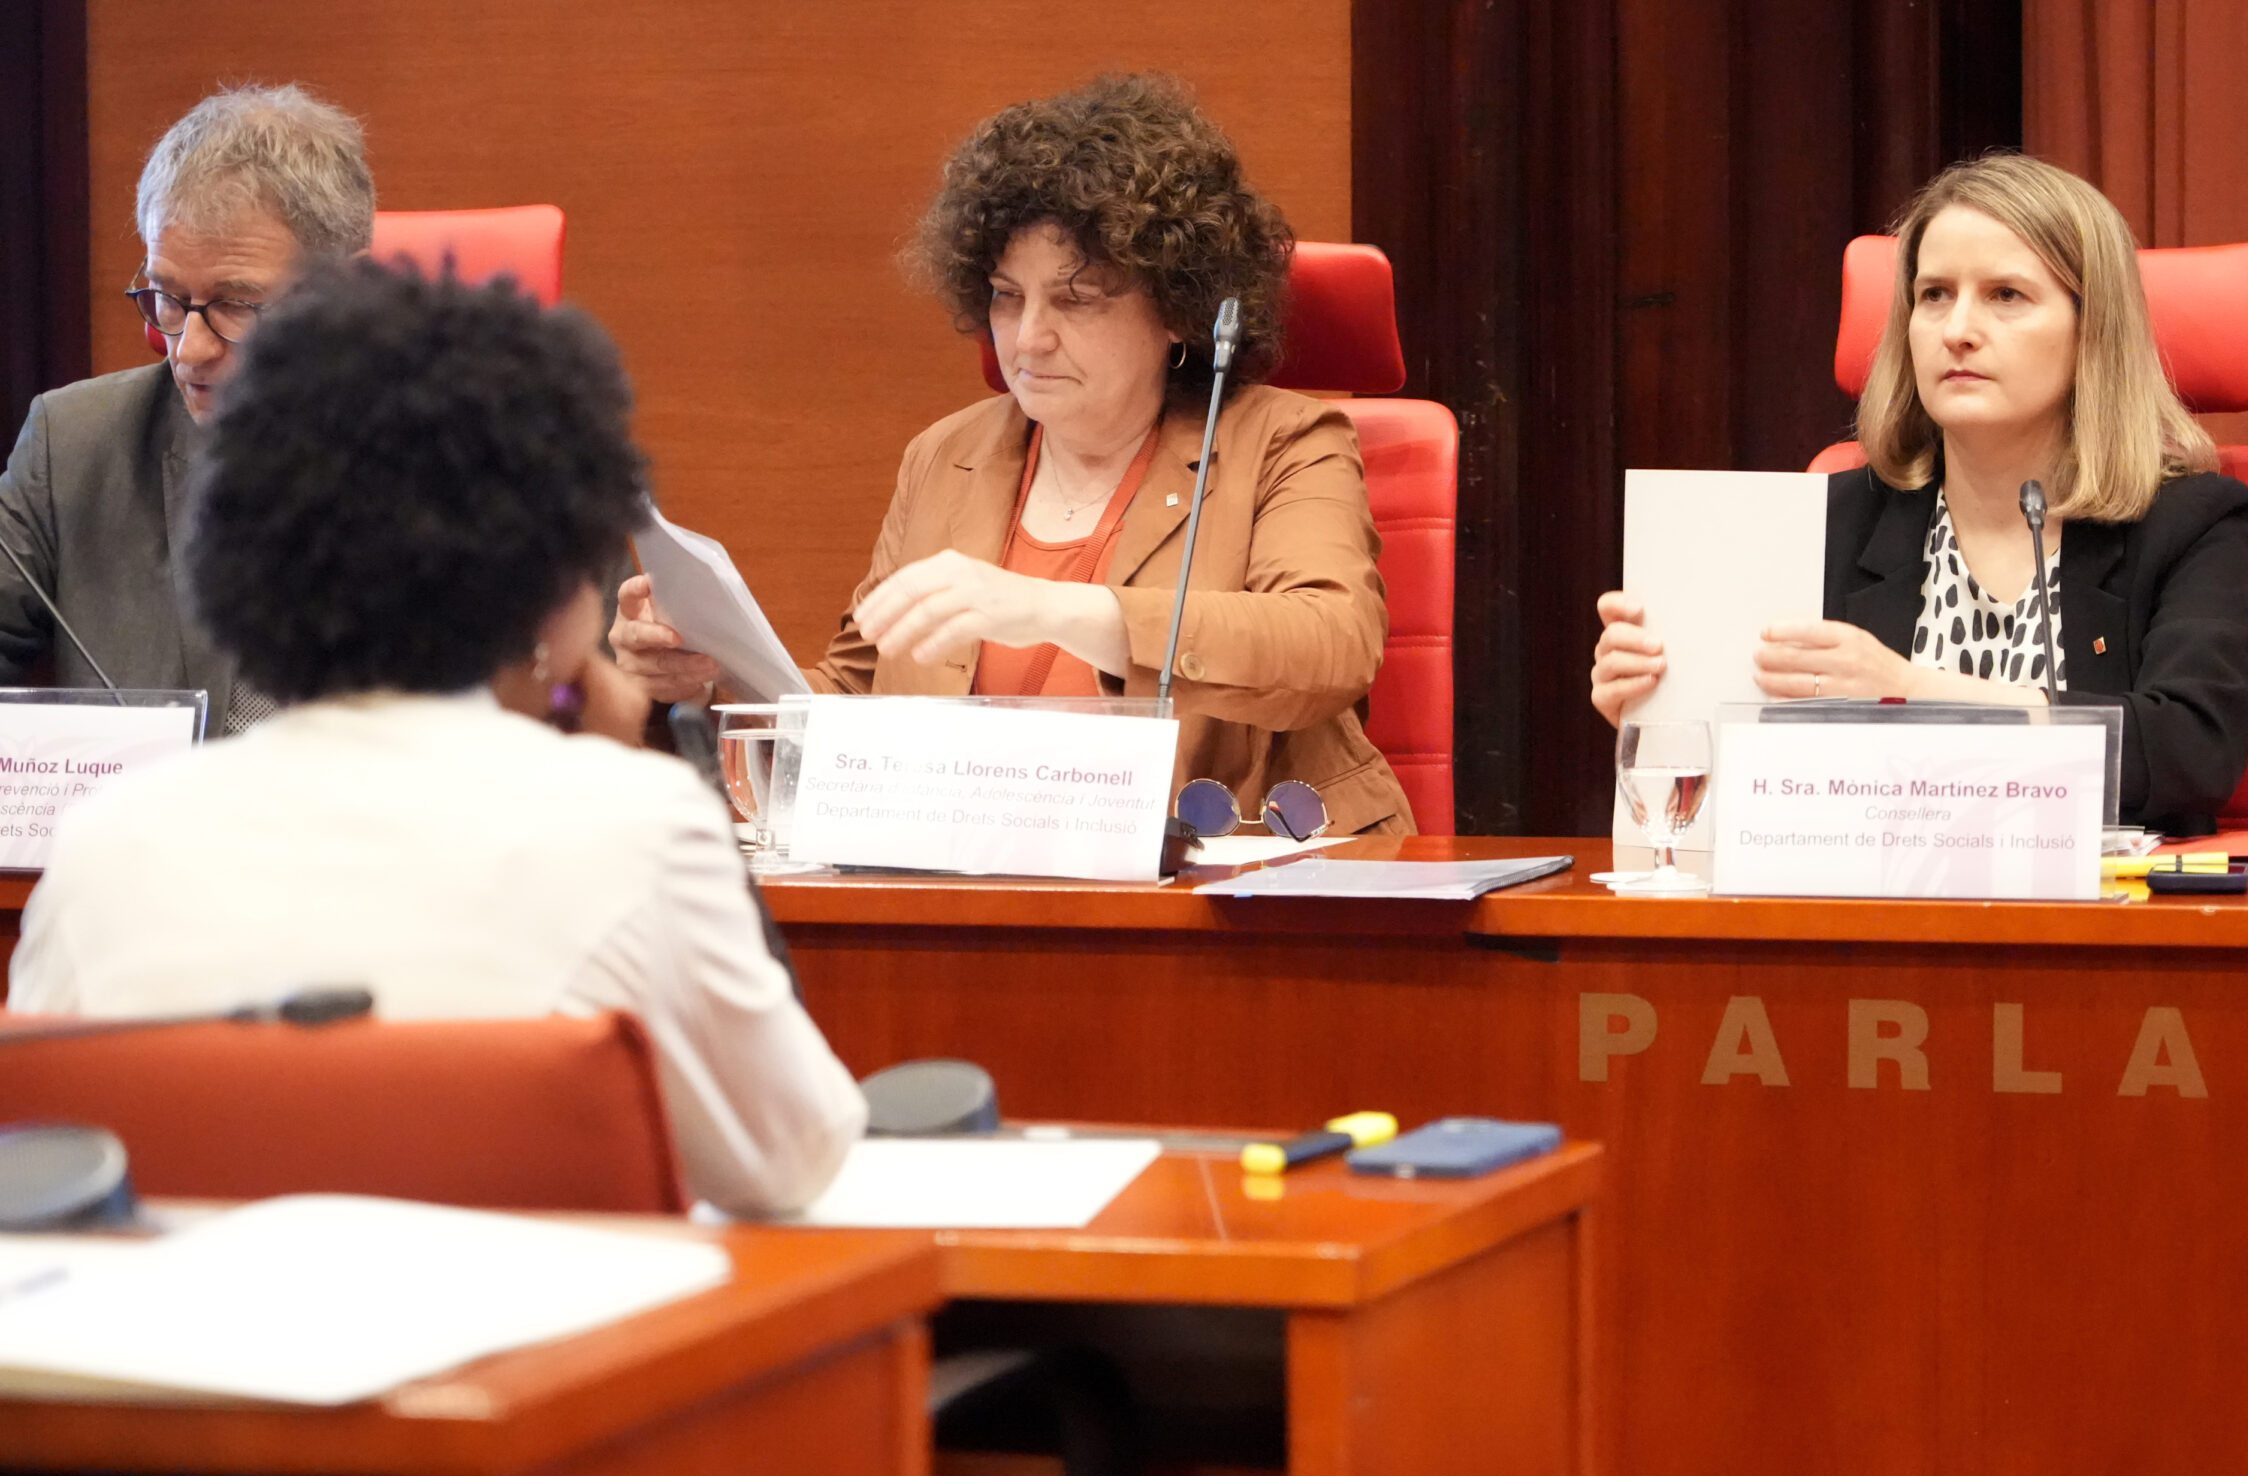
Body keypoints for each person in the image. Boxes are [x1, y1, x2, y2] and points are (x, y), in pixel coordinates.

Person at [6, 263, 862, 1220]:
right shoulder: (634, 828)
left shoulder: (105, 846)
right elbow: (795, 1159)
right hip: (554, 1365)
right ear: (550, 592)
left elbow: (43, 1166)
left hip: (208, 1361)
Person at [611, 73, 1415, 836]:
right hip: (986, 900)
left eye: (1075, 299)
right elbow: (857, 700)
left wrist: (1048, 609)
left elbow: (1329, 643)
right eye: (1006, 296)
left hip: (1238, 906)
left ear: (1178, 308)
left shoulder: (1284, 442)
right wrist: (704, 681)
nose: (1028, 339)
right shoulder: (944, 455)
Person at [1591, 153, 2248, 834]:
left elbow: (2191, 750)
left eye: (2006, 295)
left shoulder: (2189, 521)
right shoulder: (1828, 521)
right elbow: (1761, 789)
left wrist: (1910, 692)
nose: (1957, 330)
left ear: (2092, 331)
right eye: (1934, 294)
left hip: (2101, 927)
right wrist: (1659, 707)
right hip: (1871, 920)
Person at [0, 84, 377, 736]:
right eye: (168, 297)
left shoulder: (484, 470)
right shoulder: (77, 445)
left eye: (235, 302)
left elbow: (572, 719)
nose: (189, 350)